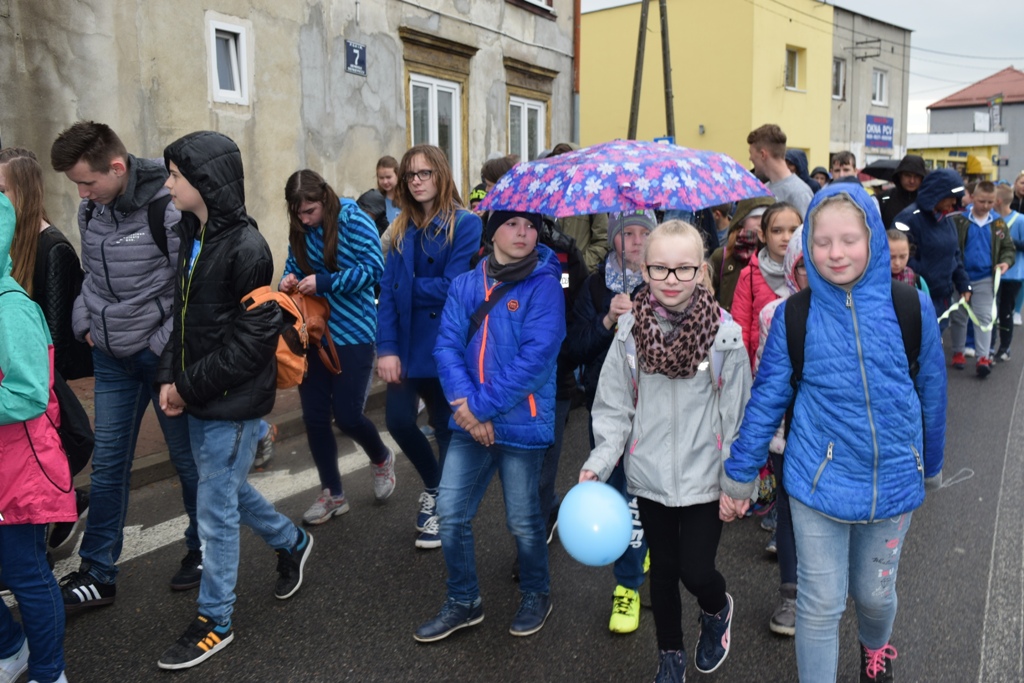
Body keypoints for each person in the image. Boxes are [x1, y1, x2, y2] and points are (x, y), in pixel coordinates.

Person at [721, 184, 946, 683]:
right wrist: (738, 476)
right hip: (816, 481)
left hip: (892, 481)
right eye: (822, 242)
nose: (836, 253)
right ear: (807, 245)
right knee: (820, 604)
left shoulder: (911, 307)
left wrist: (930, 463)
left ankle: (875, 649)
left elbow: (931, 389)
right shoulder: (795, 316)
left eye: (849, 240)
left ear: (873, 240)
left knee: (874, 595)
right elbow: (767, 398)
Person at [154, 131, 313, 670]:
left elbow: (250, 347)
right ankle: (291, 541)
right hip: (201, 393)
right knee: (223, 489)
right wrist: (168, 377)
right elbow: (182, 320)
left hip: (234, 401)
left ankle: (214, 620)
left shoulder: (247, 248)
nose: (168, 184)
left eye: (176, 175)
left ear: (206, 182)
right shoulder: (192, 234)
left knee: (215, 509)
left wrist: (183, 386)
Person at [581, 220, 751, 683]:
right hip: (650, 471)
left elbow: (737, 416)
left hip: (705, 476)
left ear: (701, 271)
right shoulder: (629, 331)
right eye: (659, 269)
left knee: (696, 571)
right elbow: (614, 406)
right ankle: (670, 655)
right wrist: (599, 462)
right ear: (644, 269)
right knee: (663, 571)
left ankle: (716, 609)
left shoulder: (725, 335)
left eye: (683, 269)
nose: (671, 279)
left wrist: (736, 483)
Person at [49, 121, 202, 607]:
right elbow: (90, 276)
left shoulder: (168, 205)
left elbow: (190, 288)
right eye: (77, 184)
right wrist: (85, 323)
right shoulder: (91, 209)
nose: (81, 193)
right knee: (110, 465)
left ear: (117, 168)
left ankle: (202, 549)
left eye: (87, 181)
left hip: (161, 360)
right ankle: (98, 572)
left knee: (187, 462)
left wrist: (158, 346)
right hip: (110, 359)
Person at [414, 209, 565, 643]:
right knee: (450, 513)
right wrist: (468, 407)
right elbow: (446, 348)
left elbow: (535, 361)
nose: (523, 233)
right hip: (471, 420)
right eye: (512, 224)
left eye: (531, 226)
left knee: (523, 520)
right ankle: (464, 601)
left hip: (520, 423)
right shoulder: (465, 284)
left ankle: (536, 593)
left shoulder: (545, 285)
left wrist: (477, 409)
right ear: (492, 231)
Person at [377, 144, 482, 548]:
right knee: (398, 421)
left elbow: (454, 286)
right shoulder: (401, 228)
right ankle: (436, 485)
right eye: (410, 175)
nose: (417, 181)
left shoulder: (464, 223)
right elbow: (387, 294)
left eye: (425, 173)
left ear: (441, 175)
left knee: (445, 425)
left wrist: (405, 288)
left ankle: (446, 506)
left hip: (445, 342)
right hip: (404, 343)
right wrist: (387, 348)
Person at [281, 169, 394, 525]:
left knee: (347, 416)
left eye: (310, 211)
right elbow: (292, 265)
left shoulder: (353, 220)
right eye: (298, 213)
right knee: (314, 417)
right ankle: (333, 493)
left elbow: (374, 269)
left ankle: (381, 458)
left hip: (354, 332)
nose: (304, 219)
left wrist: (326, 282)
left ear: (325, 199)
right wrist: (288, 280)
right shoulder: (300, 227)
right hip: (312, 333)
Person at [564, 210, 656, 635]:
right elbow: (573, 348)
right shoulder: (596, 286)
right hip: (607, 409)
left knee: (645, 496)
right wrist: (606, 321)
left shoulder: (667, 282)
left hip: (655, 410)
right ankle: (629, 580)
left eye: (643, 233)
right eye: (626, 233)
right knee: (619, 492)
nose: (635, 241)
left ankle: (632, 571)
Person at [0, 192, 75, 683]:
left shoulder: (10, 308)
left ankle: (49, 672)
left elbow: (28, 394)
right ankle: (13, 649)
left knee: (25, 571)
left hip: (19, 467)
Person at [0, 148, 91, 551]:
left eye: (1, 189)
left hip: (40, 379)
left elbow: (53, 336)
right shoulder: (12, 245)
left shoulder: (51, 247)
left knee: (40, 472)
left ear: (23, 190)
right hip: (19, 373)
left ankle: (62, 510)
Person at [752, 227, 808, 637]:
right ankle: (791, 593)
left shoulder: (856, 312)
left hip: (837, 438)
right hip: (788, 435)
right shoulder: (774, 314)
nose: (813, 274)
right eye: (803, 266)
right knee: (788, 513)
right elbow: (764, 378)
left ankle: (827, 588)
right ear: (791, 268)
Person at [947, 181, 1015, 377]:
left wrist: (1005, 262)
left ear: (996, 201)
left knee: (985, 317)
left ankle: (983, 357)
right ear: (973, 198)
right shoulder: (959, 220)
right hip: (960, 276)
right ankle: (958, 351)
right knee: (959, 315)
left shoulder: (998, 223)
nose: (985, 206)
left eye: (990, 202)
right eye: (981, 201)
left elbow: (1008, 248)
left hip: (985, 277)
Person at [893, 168, 970, 331]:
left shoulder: (946, 219)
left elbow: (954, 254)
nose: (954, 202)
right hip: (916, 297)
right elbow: (898, 256)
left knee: (936, 341)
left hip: (943, 297)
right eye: (951, 196)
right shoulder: (908, 218)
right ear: (938, 194)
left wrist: (963, 284)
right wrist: (925, 275)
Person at [731, 202, 802, 365]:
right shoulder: (749, 276)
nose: (786, 237)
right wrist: (740, 368)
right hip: (762, 364)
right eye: (777, 231)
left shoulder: (809, 273)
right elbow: (740, 328)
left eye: (793, 230)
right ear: (762, 235)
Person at [548, 142, 610, 272]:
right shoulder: (545, 197)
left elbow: (603, 239)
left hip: (580, 277)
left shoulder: (592, 198)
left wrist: (580, 266)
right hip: (549, 274)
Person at [709, 196, 776, 312]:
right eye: (755, 217)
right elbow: (705, 292)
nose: (760, 222)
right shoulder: (722, 257)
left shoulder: (778, 256)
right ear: (742, 220)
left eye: (766, 217)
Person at [747, 124, 813, 217]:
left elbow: (807, 226)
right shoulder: (763, 189)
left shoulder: (799, 193)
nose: (750, 158)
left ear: (762, 154)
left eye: (751, 153)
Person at [993, 182, 1024, 360]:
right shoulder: (992, 219)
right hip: (993, 273)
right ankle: (989, 347)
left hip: (1013, 274)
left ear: (998, 201)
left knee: (1005, 311)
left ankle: (1004, 348)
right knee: (991, 312)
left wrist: (1011, 242)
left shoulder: (1020, 220)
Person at [878, 155, 926, 229]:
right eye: (907, 175)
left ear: (922, 178)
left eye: (917, 176)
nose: (912, 181)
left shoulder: (929, 201)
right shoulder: (884, 199)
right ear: (900, 175)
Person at [887, 229, 929, 293]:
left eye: (902, 257)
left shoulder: (918, 282)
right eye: (891, 257)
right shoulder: (872, 280)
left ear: (909, 253)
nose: (897, 263)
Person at [376, 155, 401, 223]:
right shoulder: (375, 200)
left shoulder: (407, 198)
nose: (385, 182)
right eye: (381, 178)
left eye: (388, 177)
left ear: (397, 175)